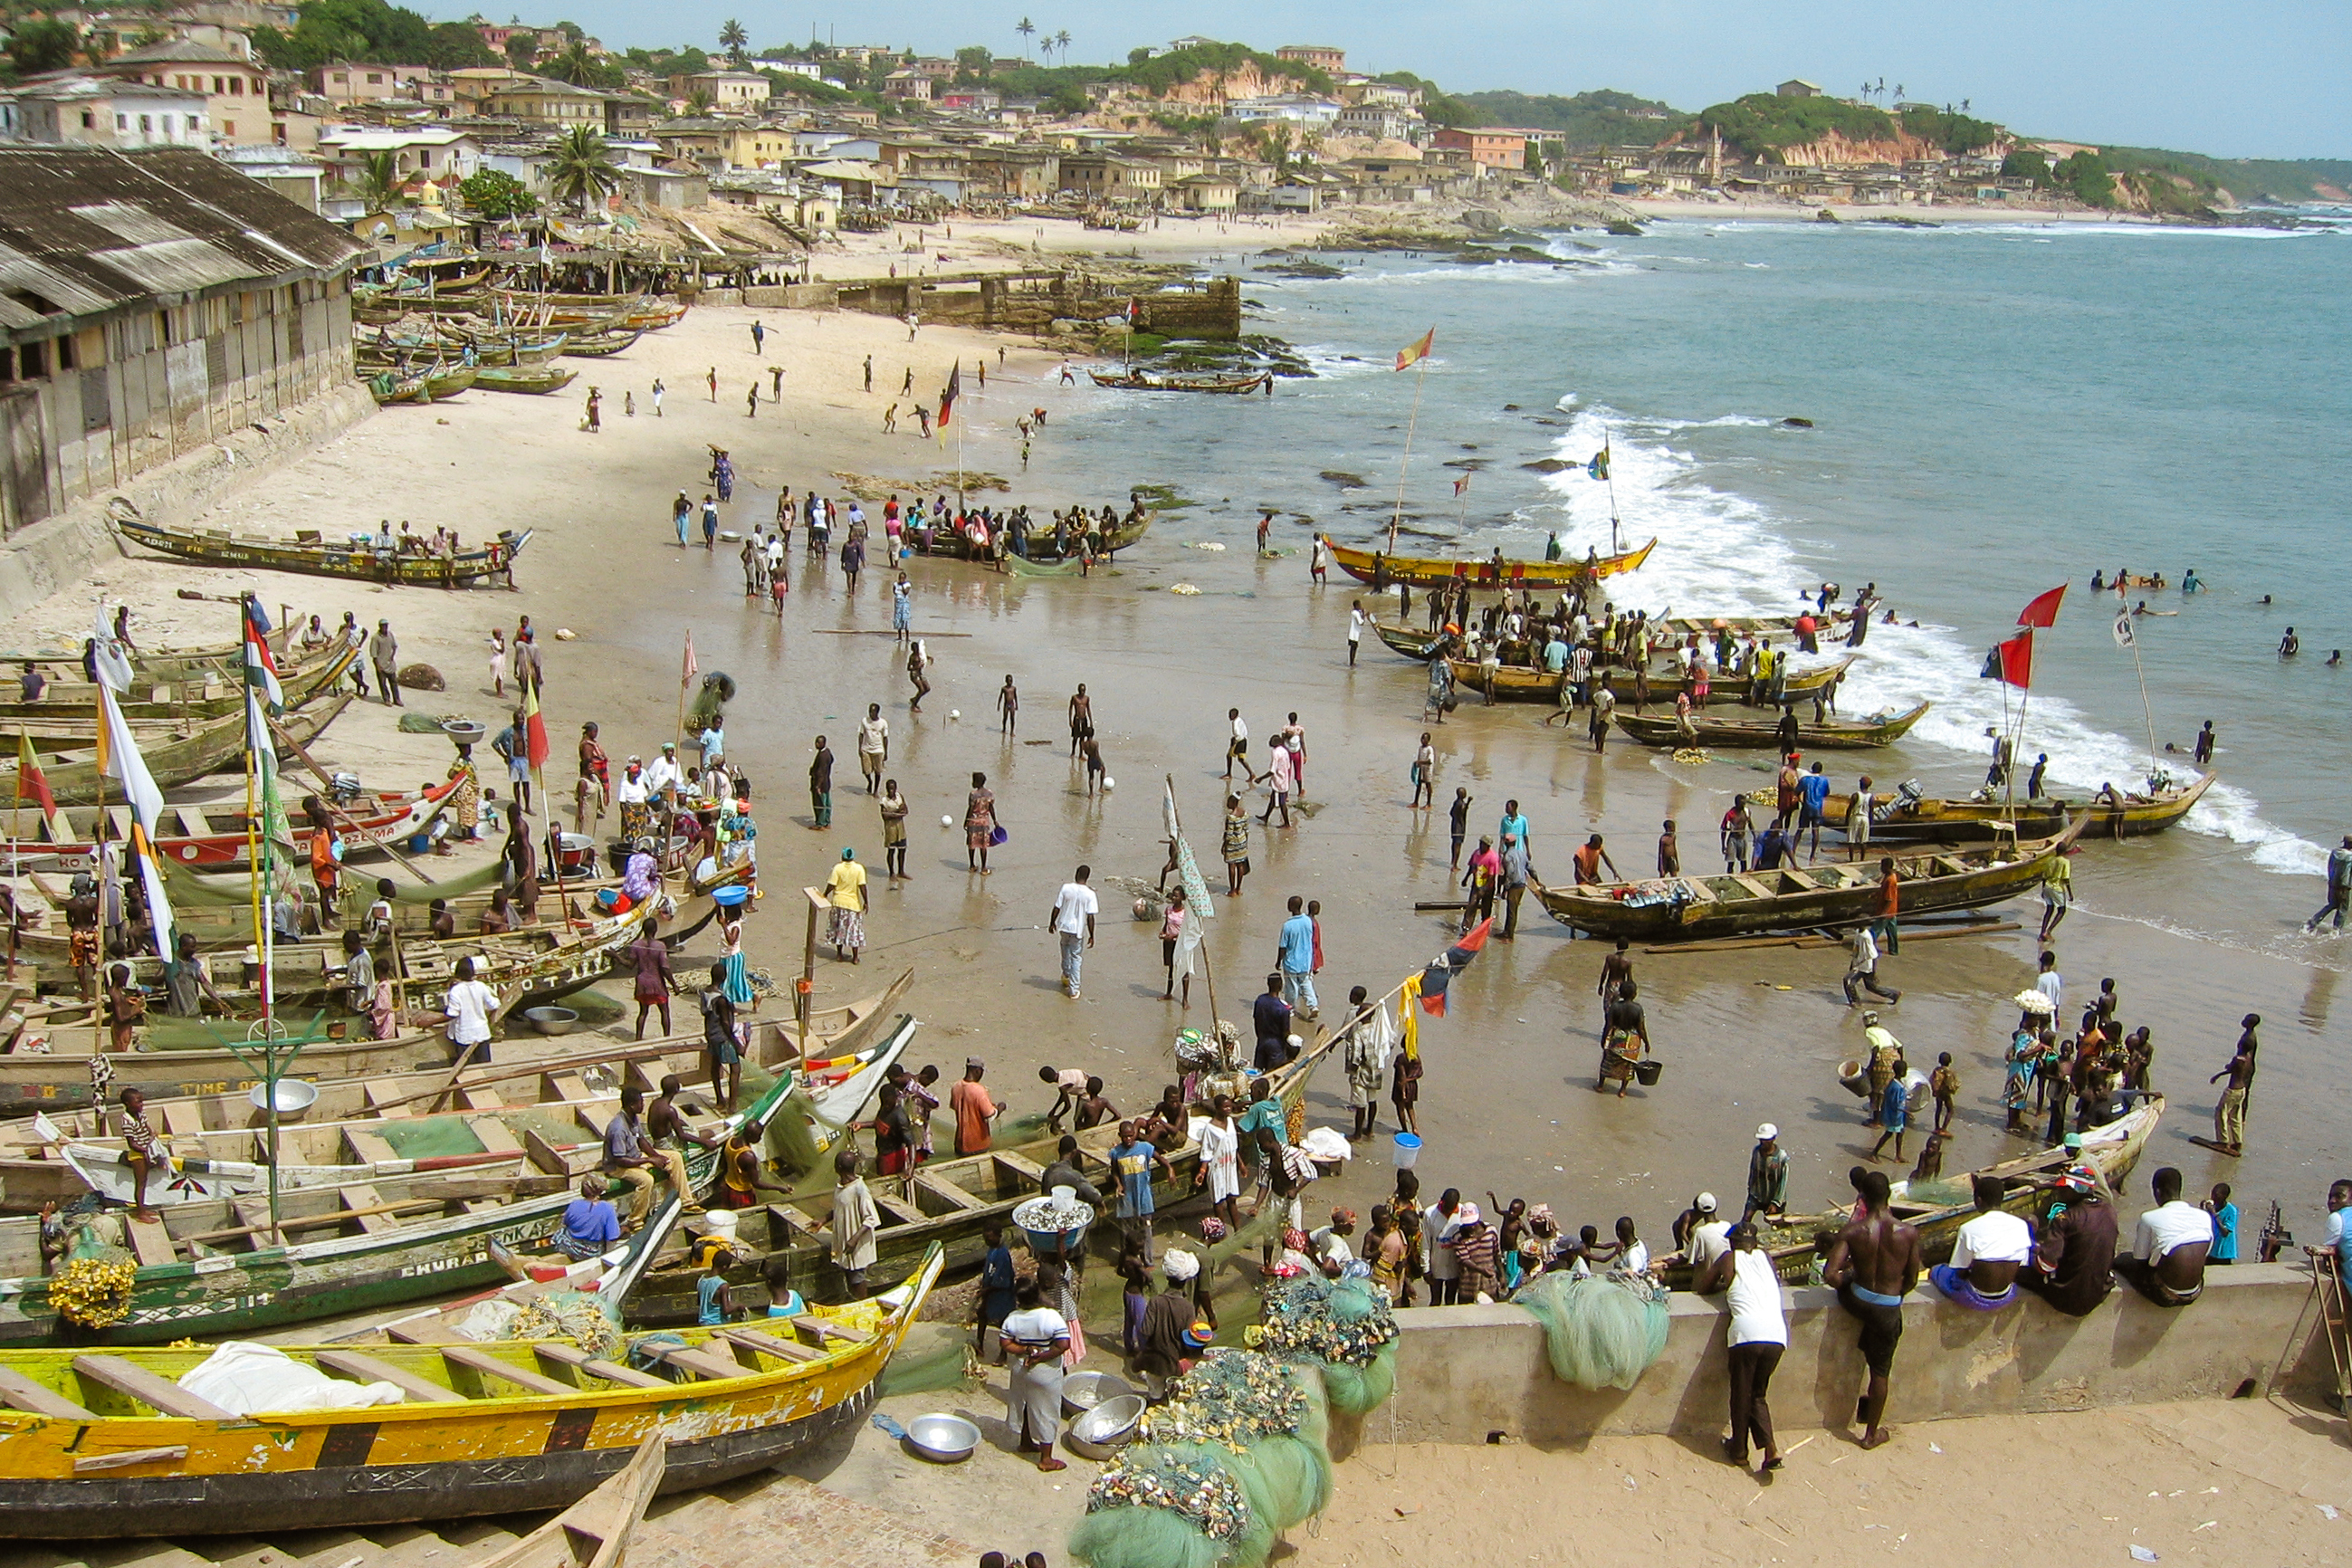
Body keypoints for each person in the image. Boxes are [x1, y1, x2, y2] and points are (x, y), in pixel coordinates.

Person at [1824, 1168, 1920, 1449]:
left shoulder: (1853, 1231)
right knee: (1880, 1373)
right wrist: (1892, 1294)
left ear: (1863, 1197)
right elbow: (1912, 1280)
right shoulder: (1909, 1233)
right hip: (1887, 1307)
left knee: (1863, 1309)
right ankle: (1871, 1435)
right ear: (1889, 1195)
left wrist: (1851, 1279)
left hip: (1857, 1300)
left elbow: (1831, 1276)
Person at [1700, 1221, 1787, 1473]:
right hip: (1777, 1335)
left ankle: (1739, 1451)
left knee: (1741, 1393)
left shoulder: (1728, 1259)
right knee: (1758, 1394)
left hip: (1746, 1334)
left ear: (1733, 1243)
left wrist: (1725, 1287)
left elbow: (1703, 1287)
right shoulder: (1767, 1258)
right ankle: (1771, 1448)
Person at [2022, 1162, 2118, 1317]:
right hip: (2097, 1294)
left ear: (2077, 1191)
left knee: (2021, 1268)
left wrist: (2035, 1254)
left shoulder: (2064, 1218)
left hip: (2065, 1297)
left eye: (2064, 1188)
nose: (2059, 1191)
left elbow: (2046, 1265)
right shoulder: (2110, 1212)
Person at [1000, 1276, 1073, 1472]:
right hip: (1045, 1373)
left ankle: (1025, 1442)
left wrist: (1024, 1348)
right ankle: (1046, 1459)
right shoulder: (1050, 1317)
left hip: (1020, 1370)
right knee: (1047, 1412)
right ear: (1038, 1294)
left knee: (1025, 1404)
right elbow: (1063, 1345)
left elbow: (1005, 1344)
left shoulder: (1012, 1318)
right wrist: (1041, 1357)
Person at [1927, 1176, 2032, 1310]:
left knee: (1938, 1270)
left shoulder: (1968, 1228)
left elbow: (1961, 1270)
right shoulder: (2021, 1225)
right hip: (2007, 1296)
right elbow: (2021, 1263)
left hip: (1974, 1297)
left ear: (1978, 1200)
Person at [2115, 1166, 2213, 1307]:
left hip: (2165, 1295)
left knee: (2123, 1259)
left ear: (2158, 1192)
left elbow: (2140, 1260)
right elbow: (2205, 1252)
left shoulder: (2149, 1217)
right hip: (2196, 1291)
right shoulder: (2204, 1216)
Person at [1110, 1121, 1171, 1264]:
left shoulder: (1145, 1147)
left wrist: (1170, 1169)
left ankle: (1148, 1260)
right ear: (1120, 1136)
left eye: (1131, 1136)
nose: (1128, 1139)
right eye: (1125, 1137)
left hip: (1143, 1195)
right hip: (1126, 1197)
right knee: (1126, 1231)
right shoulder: (1116, 1152)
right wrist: (1118, 1184)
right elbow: (1114, 1171)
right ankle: (1127, 1260)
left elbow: (1160, 1158)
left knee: (1146, 1229)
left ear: (1135, 1134)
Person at [828, 1148, 880, 1297]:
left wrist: (854, 1239)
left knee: (857, 1276)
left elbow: (871, 1218)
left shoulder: (860, 1190)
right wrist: (823, 1220)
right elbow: (839, 1208)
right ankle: (854, 1299)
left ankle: (862, 1301)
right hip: (844, 1241)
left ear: (838, 1168)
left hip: (855, 1244)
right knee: (849, 1274)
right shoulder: (840, 1187)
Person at [2208, 1016, 2258, 1154]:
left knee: (2221, 1112)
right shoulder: (2248, 1060)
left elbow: (2230, 1069)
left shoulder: (2238, 1059)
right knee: (2236, 1116)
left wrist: (2216, 1076)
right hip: (2241, 1091)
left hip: (2232, 1090)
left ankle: (2223, 1141)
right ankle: (2237, 1142)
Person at [1047, 864, 1098, 999]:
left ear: (1076, 874)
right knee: (1076, 957)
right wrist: (1092, 935)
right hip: (1078, 930)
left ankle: (1066, 975)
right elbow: (1090, 916)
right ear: (1087, 877)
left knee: (1064, 950)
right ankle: (1074, 990)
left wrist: (1052, 922)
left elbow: (1057, 907)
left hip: (1064, 926)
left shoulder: (1066, 888)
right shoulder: (1090, 894)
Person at [1598, 979, 1649, 1096]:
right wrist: (1647, 1043)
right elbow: (1641, 1028)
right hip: (1632, 1041)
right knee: (1628, 1065)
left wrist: (1604, 1038)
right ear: (1634, 994)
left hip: (1617, 1038)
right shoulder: (1638, 1008)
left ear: (1620, 993)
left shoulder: (1615, 1006)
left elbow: (1609, 1025)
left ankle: (1600, 1085)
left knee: (1608, 1061)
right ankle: (1622, 1090)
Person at [444, 954, 496, 1067]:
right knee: (485, 1067)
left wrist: (431, 1021)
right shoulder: (481, 986)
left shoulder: (456, 991)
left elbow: (452, 1014)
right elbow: (493, 1005)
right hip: (482, 1033)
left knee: (466, 1068)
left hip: (464, 1035)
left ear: (458, 974)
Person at [975, 1221, 1018, 1359]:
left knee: (1003, 1323)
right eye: (985, 1238)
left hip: (1002, 1295)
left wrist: (986, 1290)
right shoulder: (991, 1251)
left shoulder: (1002, 1254)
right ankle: (979, 1345)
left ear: (998, 1236)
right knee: (982, 1314)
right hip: (990, 1292)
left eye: (989, 1237)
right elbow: (989, 1270)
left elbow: (1002, 1279)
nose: (987, 1240)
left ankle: (1003, 1353)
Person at [951, 1058, 1003, 1156]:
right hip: (978, 1144)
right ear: (977, 1071)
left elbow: (955, 1106)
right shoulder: (979, 1090)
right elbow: (989, 1116)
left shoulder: (956, 1087)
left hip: (960, 1142)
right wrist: (1000, 1108)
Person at [824, 846, 867, 963]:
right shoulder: (859, 869)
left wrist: (825, 894)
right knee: (854, 931)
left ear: (842, 856)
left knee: (839, 928)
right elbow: (862, 886)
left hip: (839, 902)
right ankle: (855, 957)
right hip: (853, 905)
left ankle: (839, 954)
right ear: (853, 857)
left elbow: (832, 884)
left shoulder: (838, 868)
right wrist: (866, 902)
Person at [1843, 923, 1900, 1006]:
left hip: (1866, 964)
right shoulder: (1858, 933)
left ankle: (1855, 1001)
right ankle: (1894, 995)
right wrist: (1853, 962)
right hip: (1860, 963)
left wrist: (1859, 965)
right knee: (1871, 987)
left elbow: (1871, 954)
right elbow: (1857, 948)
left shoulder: (1866, 937)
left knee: (1848, 981)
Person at [1745, 1123, 1789, 1223]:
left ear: (1774, 1139)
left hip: (1774, 1197)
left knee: (1776, 1224)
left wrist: (1776, 1203)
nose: (1763, 1142)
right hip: (1756, 1195)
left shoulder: (1781, 1157)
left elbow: (1783, 1182)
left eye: (1766, 1139)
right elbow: (1753, 1172)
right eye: (1762, 1139)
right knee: (1746, 1220)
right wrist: (1750, 1189)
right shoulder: (1756, 1152)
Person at [2309, 835, 2352, 932]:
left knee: (2332, 904)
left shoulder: (2334, 852)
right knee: (2343, 909)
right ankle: (2337, 930)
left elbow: (2329, 867)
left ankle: (2313, 921)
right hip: (2344, 887)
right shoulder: (2350, 857)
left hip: (2332, 884)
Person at [964, 771, 999, 875]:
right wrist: (995, 820)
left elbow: (970, 808)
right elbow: (991, 808)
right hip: (984, 822)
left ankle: (972, 866)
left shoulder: (973, 794)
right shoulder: (990, 793)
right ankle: (984, 868)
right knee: (983, 845)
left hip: (973, 821)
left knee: (972, 844)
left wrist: (966, 820)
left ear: (977, 782)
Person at [2040, 846, 2074, 942]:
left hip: (2047, 887)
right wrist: (2070, 893)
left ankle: (2042, 933)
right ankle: (2048, 932)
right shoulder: (2065, 862)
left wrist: (2043, 889)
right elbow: (2066, 879)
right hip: (2057, 888)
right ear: (2065, 851)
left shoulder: (2049, 860)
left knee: (2049, 910)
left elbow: (2044, 877)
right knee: (2061, 911)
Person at [856, 703, 889, 795]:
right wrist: (860, 748)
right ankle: (870, 781)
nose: (871, 713)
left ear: (877, 712)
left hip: (878, 750)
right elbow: (861, 734)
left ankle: (875, 790)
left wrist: (886, 753)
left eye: (873, 712)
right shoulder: (864, 721)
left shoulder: (883, 723)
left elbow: (885, 738)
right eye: (869, 711)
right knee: (866, 771)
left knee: (878, 772)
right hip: (866, 749)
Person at [368, 618, 400, 706]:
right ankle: (386, 699)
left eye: (386, 626)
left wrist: (392, 656)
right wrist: (378, 666)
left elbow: (394, 646)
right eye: (383, 626)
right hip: (381, 664)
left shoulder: (390, 635)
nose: (385, 628)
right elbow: (374, 654)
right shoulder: (376, 638)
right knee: (383, 684)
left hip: (390, 664)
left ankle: (397, 699)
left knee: (394, 682)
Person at [2204, 1181, 2239, 1267]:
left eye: (2216, 1195)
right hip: (2211, 1250)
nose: (2213, 1198)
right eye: (2212, 1194)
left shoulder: (2231, 1211)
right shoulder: (2213, 1207)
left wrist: (2214, 1214)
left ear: (2224, 1197)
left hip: (2224, 1252)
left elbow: (2225, 1232)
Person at [808, 735, 833, 831]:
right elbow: (831, 761)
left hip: (820, 783)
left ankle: (820, 824)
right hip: (826, 782)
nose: (816, 744)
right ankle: (827, 822)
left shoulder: (822, 756)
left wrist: (817, 786)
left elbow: (821, 772)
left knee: (819, 803)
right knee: (827, 803)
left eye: (818, 743)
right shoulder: (827, 752)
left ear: (823, 743)